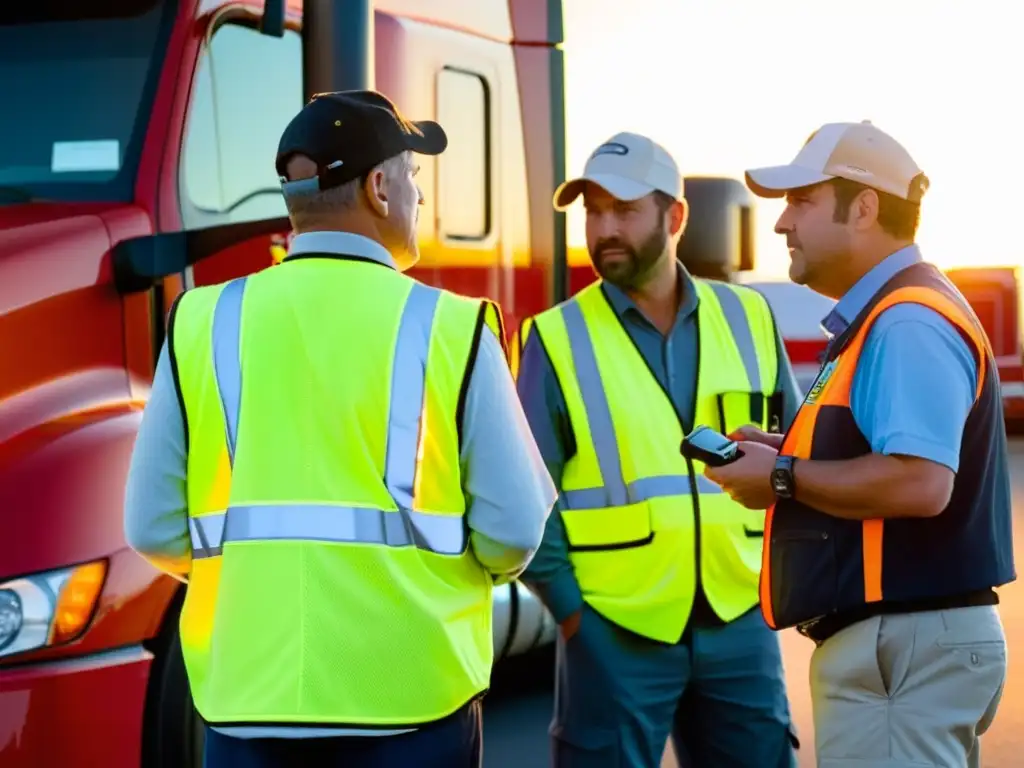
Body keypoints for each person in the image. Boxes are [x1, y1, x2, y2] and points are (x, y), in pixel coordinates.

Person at [123, 89, 556, 768]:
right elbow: (514, 533)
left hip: (245, 702)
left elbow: (152, 528)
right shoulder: (449, 326)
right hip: (414, 703)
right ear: (380, 188)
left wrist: (252, 575)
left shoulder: (203, 321)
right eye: (413, 178)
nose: (419, 197)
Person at [706, 120, 1014, 767]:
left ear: (865, 208)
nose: (782, 223)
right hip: (902, 650)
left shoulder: (906, 320)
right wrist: (782, 454)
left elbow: (919, 482)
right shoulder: (892, 315)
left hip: (902, 651)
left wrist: (782, 476)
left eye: (801, 201)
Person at [515, 131, 803, 768]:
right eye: (592, 211)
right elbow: (524, 495)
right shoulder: (556, 338)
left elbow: (798, 455)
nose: (603, 228)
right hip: (613, 628)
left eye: (623, 209)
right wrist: (571, 617)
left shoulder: (749, 317)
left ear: (674, 217)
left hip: (739, 618)